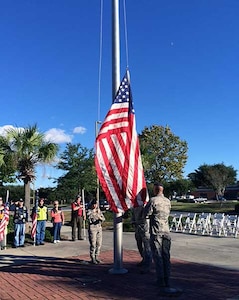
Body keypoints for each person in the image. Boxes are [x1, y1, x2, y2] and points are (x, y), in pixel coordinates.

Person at [144, 182, 182, 296]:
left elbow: (147, 213)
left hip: (157, 232)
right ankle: (167, 279)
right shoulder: (167, 201)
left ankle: (161, 280)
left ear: (155, 190)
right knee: (166, 256)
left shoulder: (153, 200)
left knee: (158, 256)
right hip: (166, 231)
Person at [131, 206, 152, 274]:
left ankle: (147, 265)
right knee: (139, 245)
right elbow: (133, 215)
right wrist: (133, 221)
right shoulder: (135, 206)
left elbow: (149, 215)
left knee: (147, 247)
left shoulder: (146, 205)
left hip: (145, 228)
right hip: (138, 227)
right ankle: (144, 259)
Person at [87, 199, 105, 264]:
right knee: (93, 244)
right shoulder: (89, 211)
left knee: (99, 243)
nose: (95, 205)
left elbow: (103, 218)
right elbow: (89, 219)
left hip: (99, 228)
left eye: (96, 204)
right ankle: (92, 258)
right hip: (93, 229)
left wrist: (100, 217)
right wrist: (95, 214)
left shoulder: (99, 211)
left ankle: (97, 256)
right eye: (94, 204)